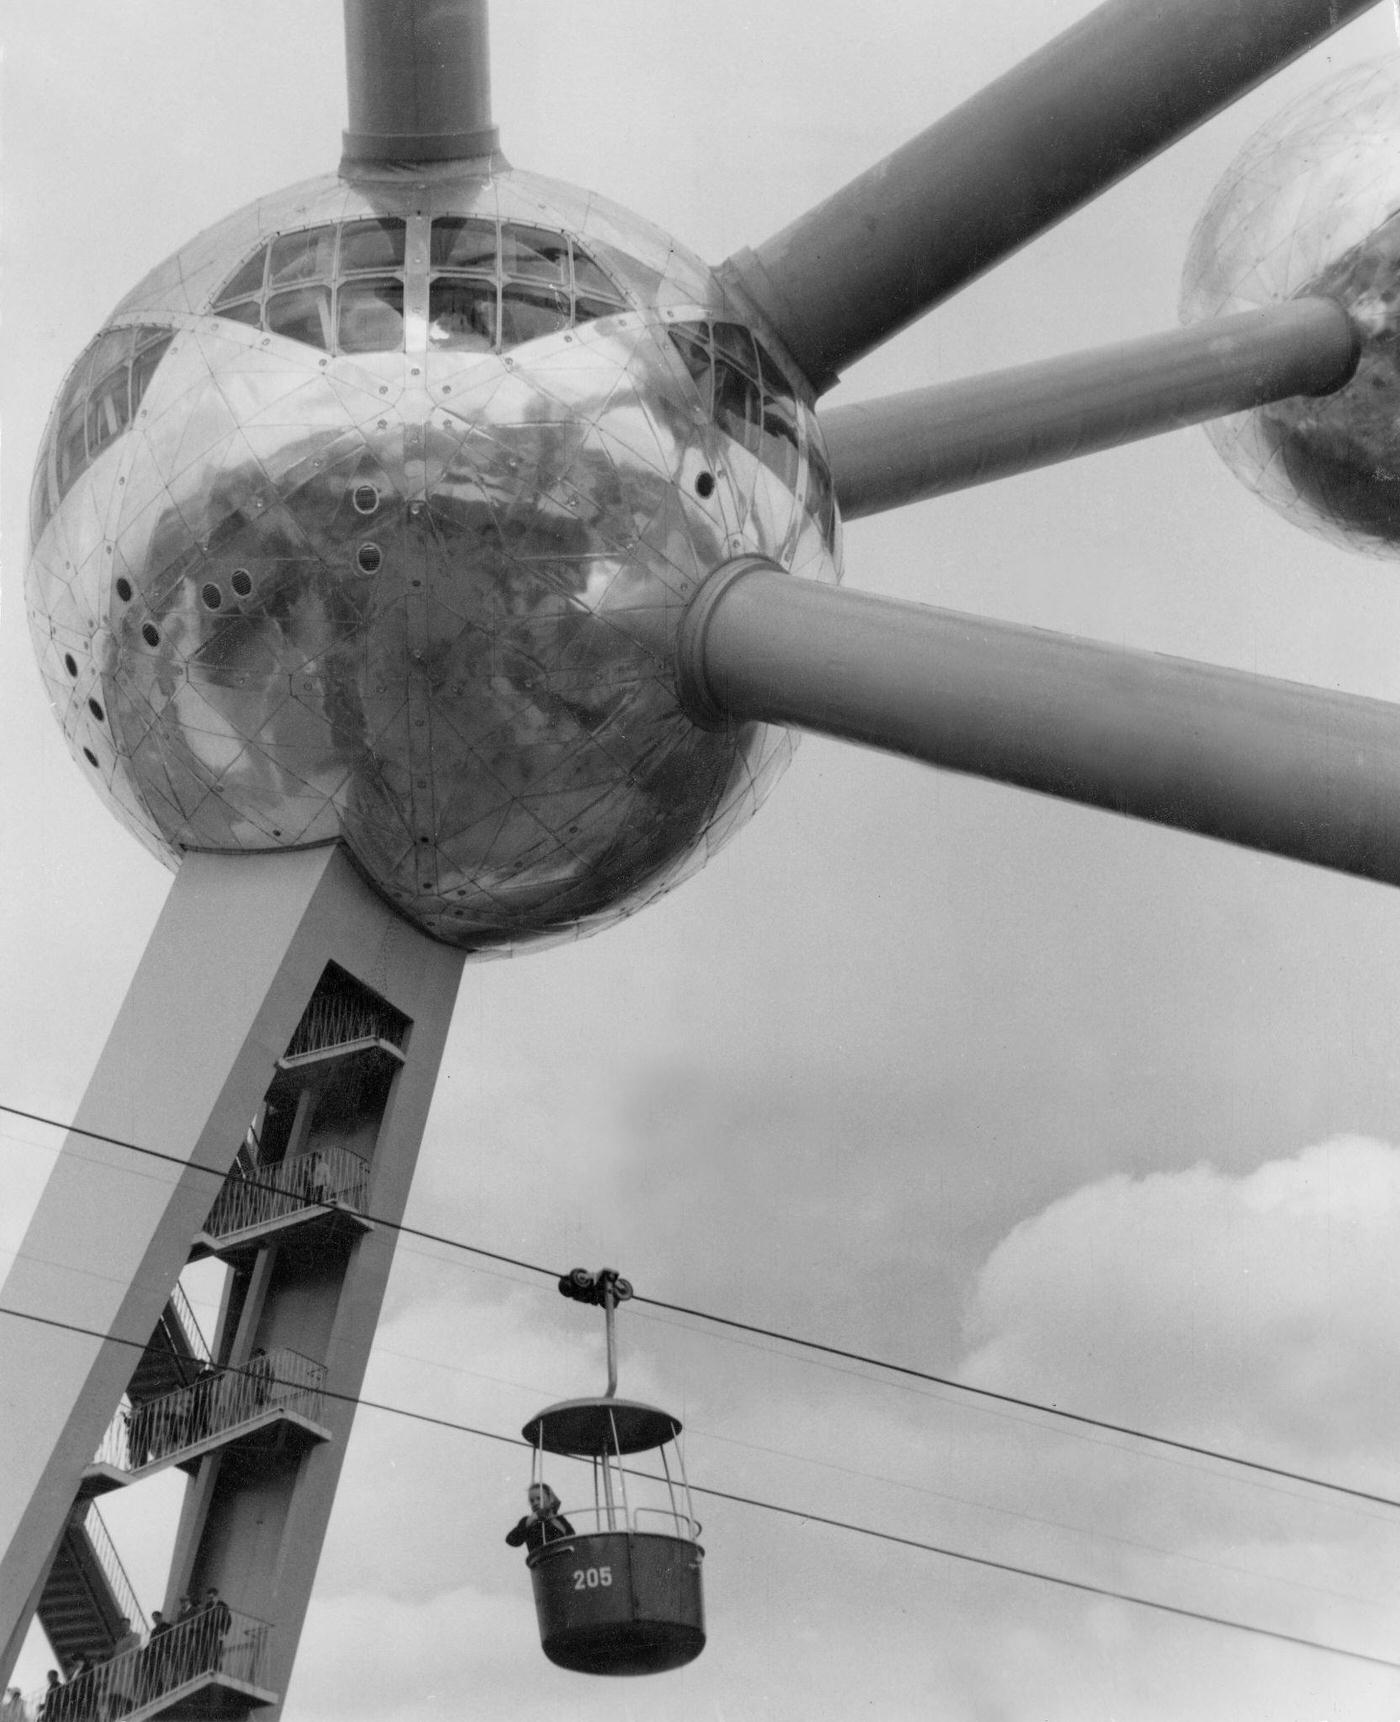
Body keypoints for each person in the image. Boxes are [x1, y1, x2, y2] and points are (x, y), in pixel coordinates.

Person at [504, 1483, 574, 1554]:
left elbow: (573, 1538)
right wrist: (530, 1520)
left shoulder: (559, 1518)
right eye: (532, 1501)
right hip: (545, 1561)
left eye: (539, 1498)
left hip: (566, 1559)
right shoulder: (530, 1522)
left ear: (550, 1498)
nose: (535, 1503)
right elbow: (511, 1540)